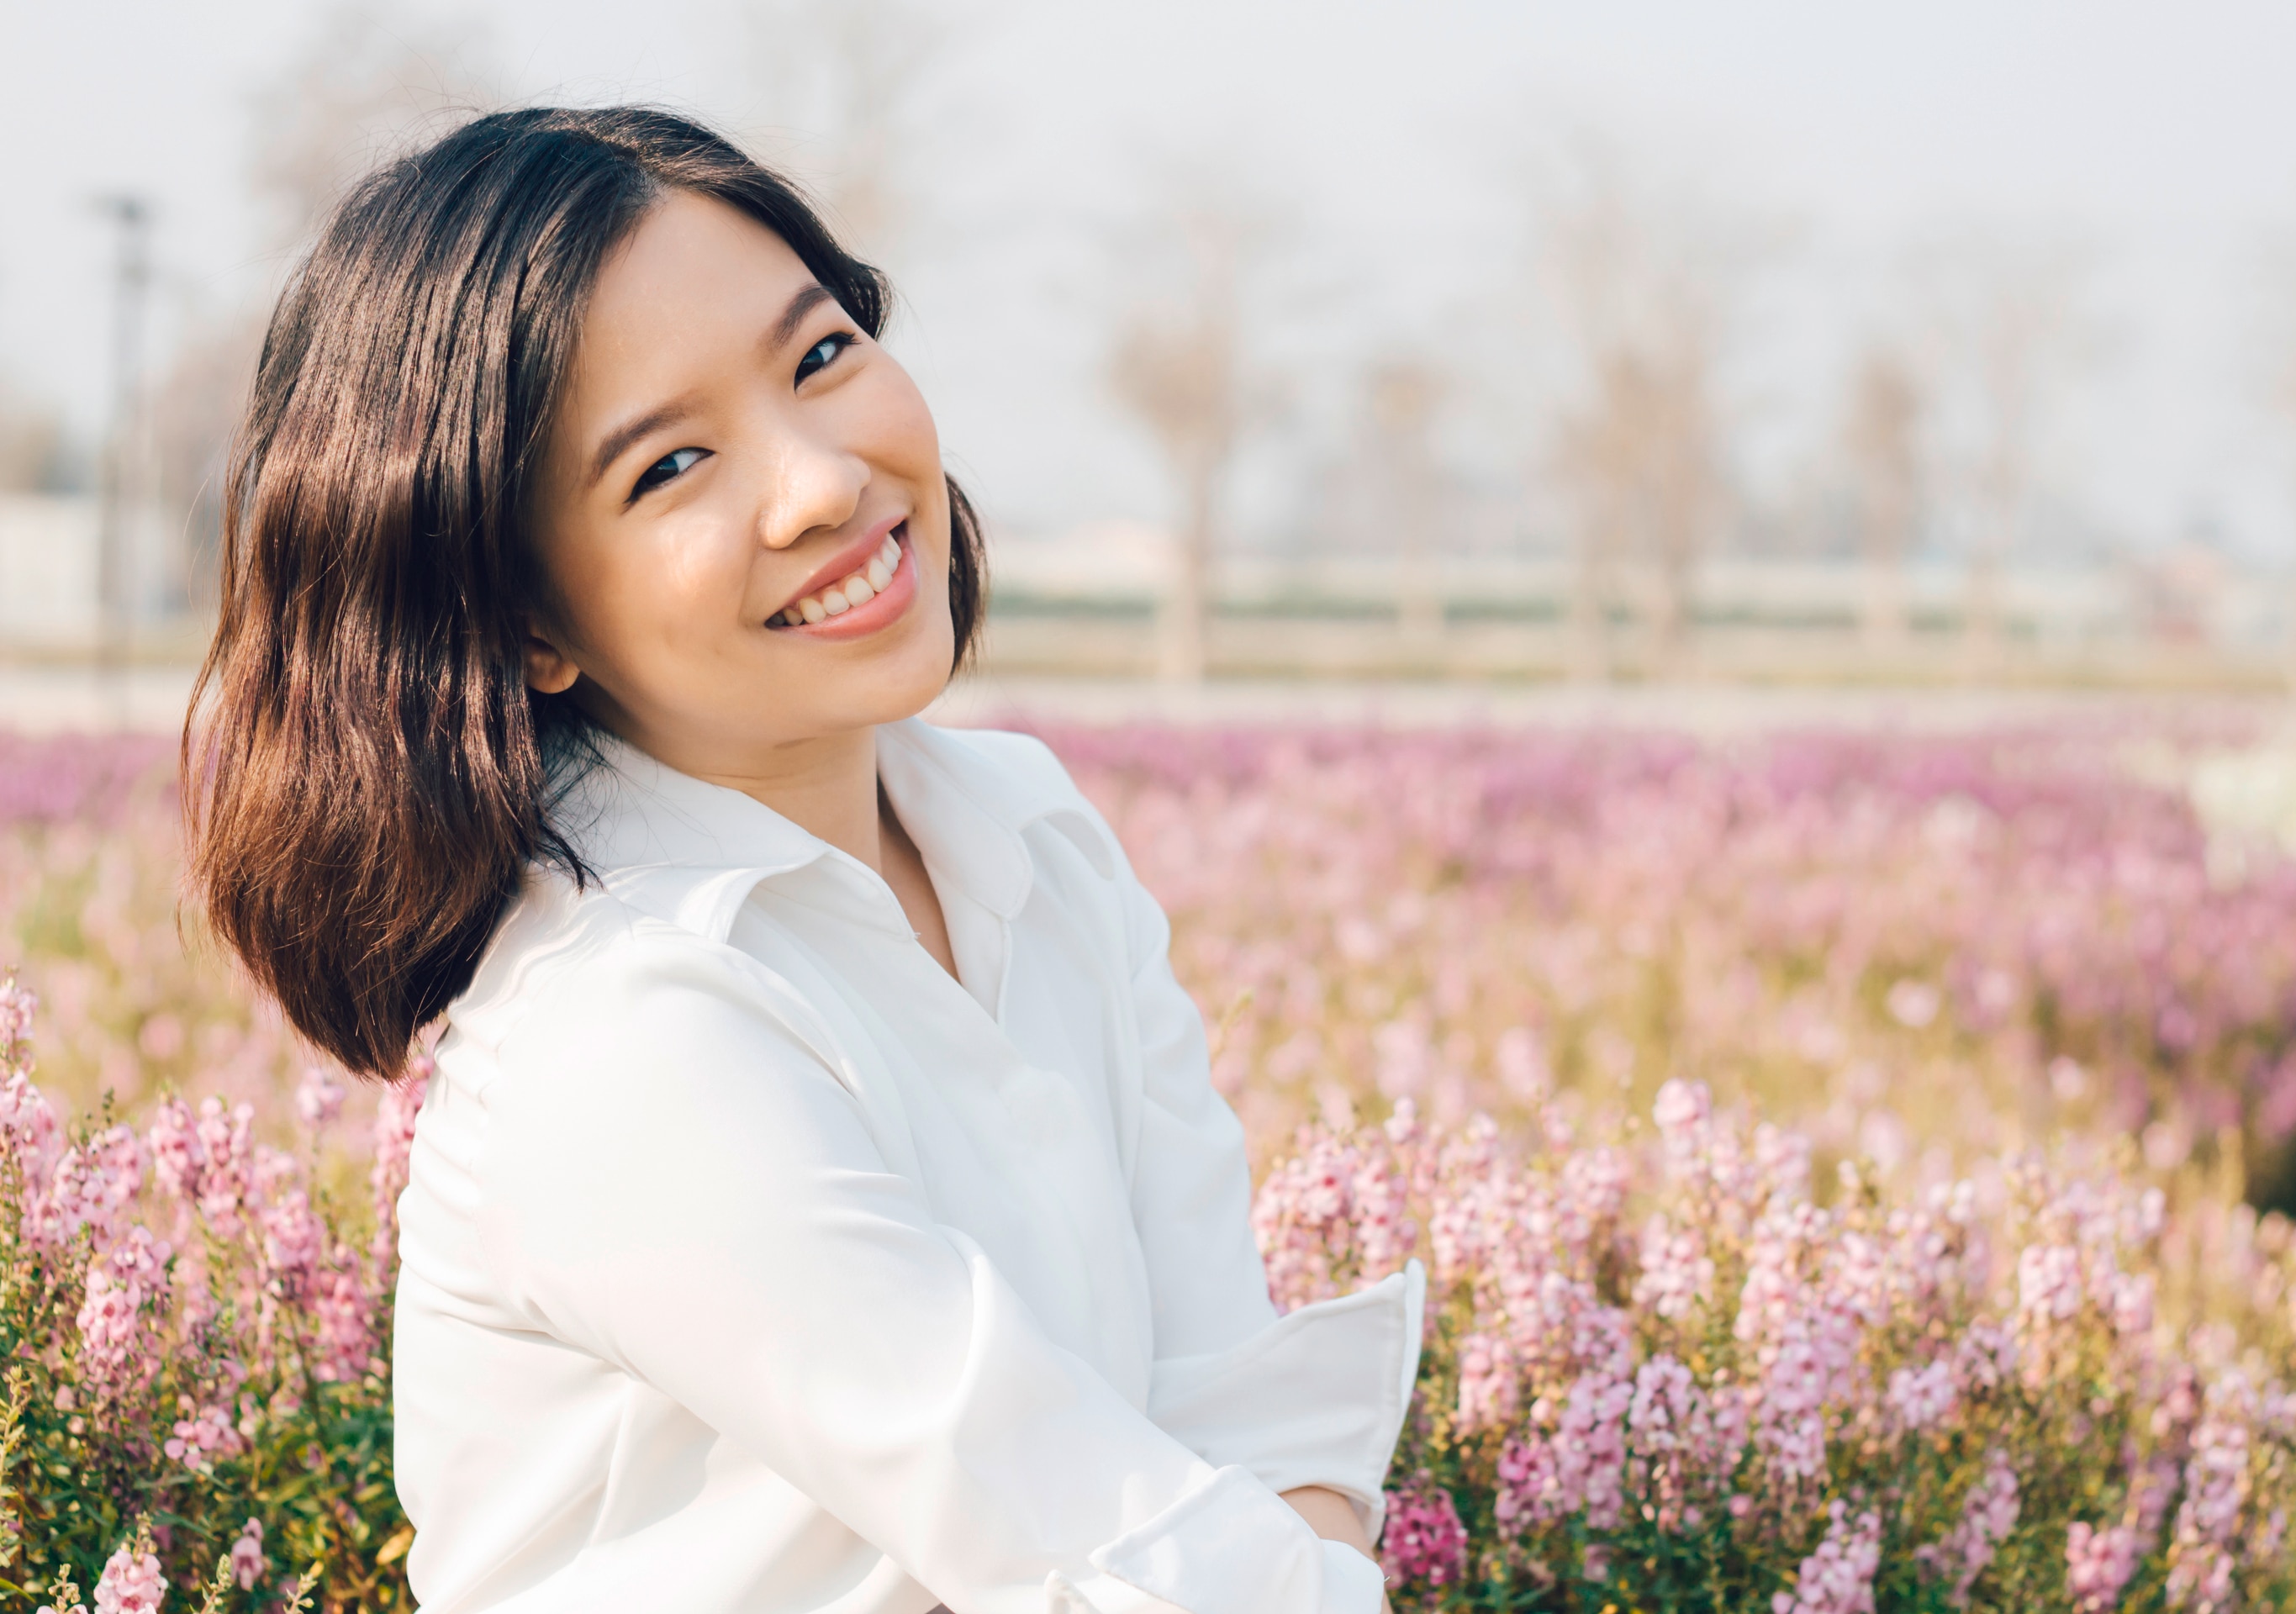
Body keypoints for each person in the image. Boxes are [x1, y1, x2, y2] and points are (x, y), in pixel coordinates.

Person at [182, 106, 1421, 1614]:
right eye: (673, 466)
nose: (824, 482)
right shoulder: (628, 1030)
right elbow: (1111, 1559)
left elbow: (1238, 1396)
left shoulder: (1030, 832)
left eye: (820, 356)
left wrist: (1278, 1551)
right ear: (525, 625)